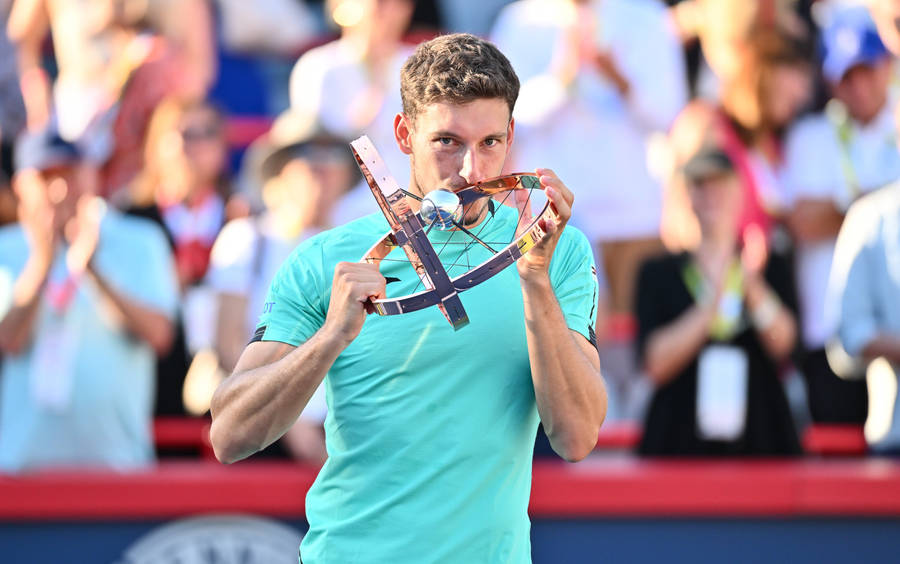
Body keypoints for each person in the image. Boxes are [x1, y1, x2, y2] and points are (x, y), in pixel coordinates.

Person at [210, 33, 606, 562]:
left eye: (490, 142)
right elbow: (230, 434)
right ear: (403, 134)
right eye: (447, 141)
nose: (471, 170)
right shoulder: (325, 259)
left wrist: (533, 280)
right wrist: (331, 338)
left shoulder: (558, 249)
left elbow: (577, 437)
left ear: (511, 136)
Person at [0, 128, 178, 472]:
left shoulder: (140, 240)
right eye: (45, 176)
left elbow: (159, 335)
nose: (60, 188)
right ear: (21, 186)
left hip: (118, 464)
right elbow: (9, 339)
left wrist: (93, 270)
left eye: (69, 173)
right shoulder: (6, 248)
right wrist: (42, 262)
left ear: (92, 177)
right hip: (22, 465)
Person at [205, 108, 358, 463]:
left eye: (334, 156)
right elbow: (228, 344)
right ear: (281, 171)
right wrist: (291, 424)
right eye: (307, 155)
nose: (322, 168)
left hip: (340, 433)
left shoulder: (361, 250)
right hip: (263, 431)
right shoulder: (245, 239)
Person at [636, 145, 801, 456]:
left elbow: (785, 344)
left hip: (761, 440)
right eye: (700, 185)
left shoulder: (770, 265)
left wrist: (749, 282)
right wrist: (715, 301)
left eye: (720, 183)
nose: (711, 194)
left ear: (740, 190)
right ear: (687, 195)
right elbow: (655, 362)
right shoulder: (658, 272)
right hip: (678, 443)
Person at [781, 4, 899, 424]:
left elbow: (818, 217)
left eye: (867, 69)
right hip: (828, 337)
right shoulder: (810, 137)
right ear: (832, 81)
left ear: (886, 66)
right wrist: (877, 207)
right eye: (847, 75)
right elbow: (802, 222)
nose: (859, 85)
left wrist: (845, 210)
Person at [288, 0, 416, 224]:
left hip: (413, 211)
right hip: (342, 215)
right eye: (378, 3)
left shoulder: (420, 65)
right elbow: (320, 144)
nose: (388, 10)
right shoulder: (317, 67)